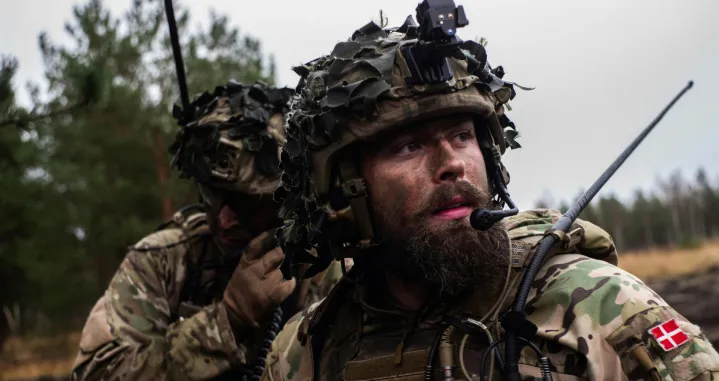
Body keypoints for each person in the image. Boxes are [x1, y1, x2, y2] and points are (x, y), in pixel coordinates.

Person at [260, 11, 719, 381]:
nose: (452, 163)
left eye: (462, 135)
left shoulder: (600, 309)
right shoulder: (304, 352)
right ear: (344, 185)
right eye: (409, 146)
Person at [71, 81, 348, 381]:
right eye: (214, 197)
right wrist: (227, 319)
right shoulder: (163, 261)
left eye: (245, 204)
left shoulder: (325, 267)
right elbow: (96, 375)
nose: (225, 220)